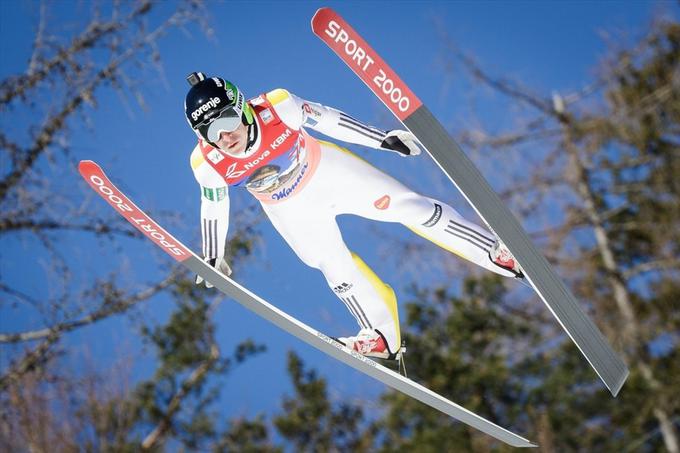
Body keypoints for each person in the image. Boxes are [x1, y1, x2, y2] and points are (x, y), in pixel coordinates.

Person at [184, 72, 522, 360]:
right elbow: (213, 204)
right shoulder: (207, 163)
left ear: (241, 109)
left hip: (330, 174)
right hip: (291, 210)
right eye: (210, 132)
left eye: (227, 121)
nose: (225, 137)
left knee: (410, 208)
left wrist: (382, 140)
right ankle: (380, 336)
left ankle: (495, 252)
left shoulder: (277, 106)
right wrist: (213, 256)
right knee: (334, 268)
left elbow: (329, 119)